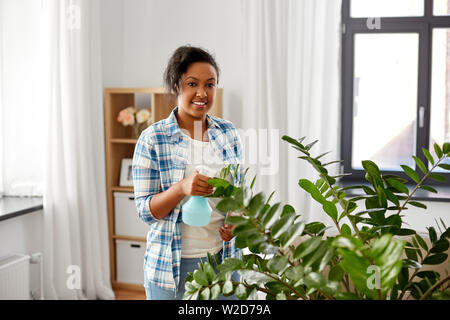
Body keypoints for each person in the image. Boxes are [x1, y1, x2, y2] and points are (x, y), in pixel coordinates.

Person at [132, 45, 243, 300]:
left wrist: (236, 220)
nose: (202, 93)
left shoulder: (228, 133)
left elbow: (239, 193)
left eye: (210, 84)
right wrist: (182, 188)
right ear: (175, 86)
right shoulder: (153, 139)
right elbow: (146, 212)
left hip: (223, 262)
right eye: (192, 83)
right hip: (171, 269)